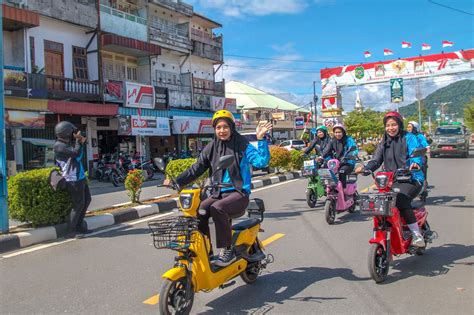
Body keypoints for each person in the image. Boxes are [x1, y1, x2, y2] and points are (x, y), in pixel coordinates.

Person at [164, 110, 272, 267]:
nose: (222, 130)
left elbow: (261, 162)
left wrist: (260, 139)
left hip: (238, 193)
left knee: (217, 208)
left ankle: (227, 249)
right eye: (218, 127)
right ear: (214, 129)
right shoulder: (212, 147)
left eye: (225, 127)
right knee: (199, 211)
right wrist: (177, 182)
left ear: (232, 127)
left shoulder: (242, 145)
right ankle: (206, 251)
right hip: (217, 193)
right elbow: (197, 168)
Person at [355, 112, 425, 247]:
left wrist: (415, 163)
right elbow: (376, 160)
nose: (391, 128)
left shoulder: (409, 137)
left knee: (400, 198)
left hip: (411, 178)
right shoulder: (384, 141)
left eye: (394, 125)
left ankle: (416, 234)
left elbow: (416, 153)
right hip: (390, 181)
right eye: (388, 125)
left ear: (399, 125)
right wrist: (365, 168)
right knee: (378, 202)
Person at [53, 121, 91, 237]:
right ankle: (71, 231)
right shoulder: (59, 146)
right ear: (66, 133)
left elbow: (78, 156)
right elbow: (76, 154)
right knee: (78, 205)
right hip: (72, 179)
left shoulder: (67, 144)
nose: (73, 134)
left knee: (87, 200)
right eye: (71, 132)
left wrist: (81, 142)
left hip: (79, 177)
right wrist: (79, 141)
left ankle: (79, 226)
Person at [320, 123, 358, 189]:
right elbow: (326, 150)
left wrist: (350, 156)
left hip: (348, 162)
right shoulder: (332, 140)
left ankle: (343, 189)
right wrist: (321, 157)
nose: (337, 134)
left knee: (342, 171)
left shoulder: (348, 140)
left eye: (339, 132)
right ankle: (329, 188)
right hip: (336, 163)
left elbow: (353, 149)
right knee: (325, 171)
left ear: (343, 132)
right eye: (336, 132)